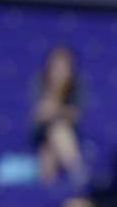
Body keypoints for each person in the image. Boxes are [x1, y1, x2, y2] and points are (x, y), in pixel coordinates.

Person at [32, 46, 87, 185]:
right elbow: (39, 114)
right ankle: (77, 171)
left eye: (63, 66)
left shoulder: (77, 86)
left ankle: (51, 191)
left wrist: (56, 110)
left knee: (57, 134)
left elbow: (75, 115)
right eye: (56, 65)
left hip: (69, 134)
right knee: (54, 134)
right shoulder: (40, 82)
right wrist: (55, 91)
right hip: (40, 134)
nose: (60, 70)